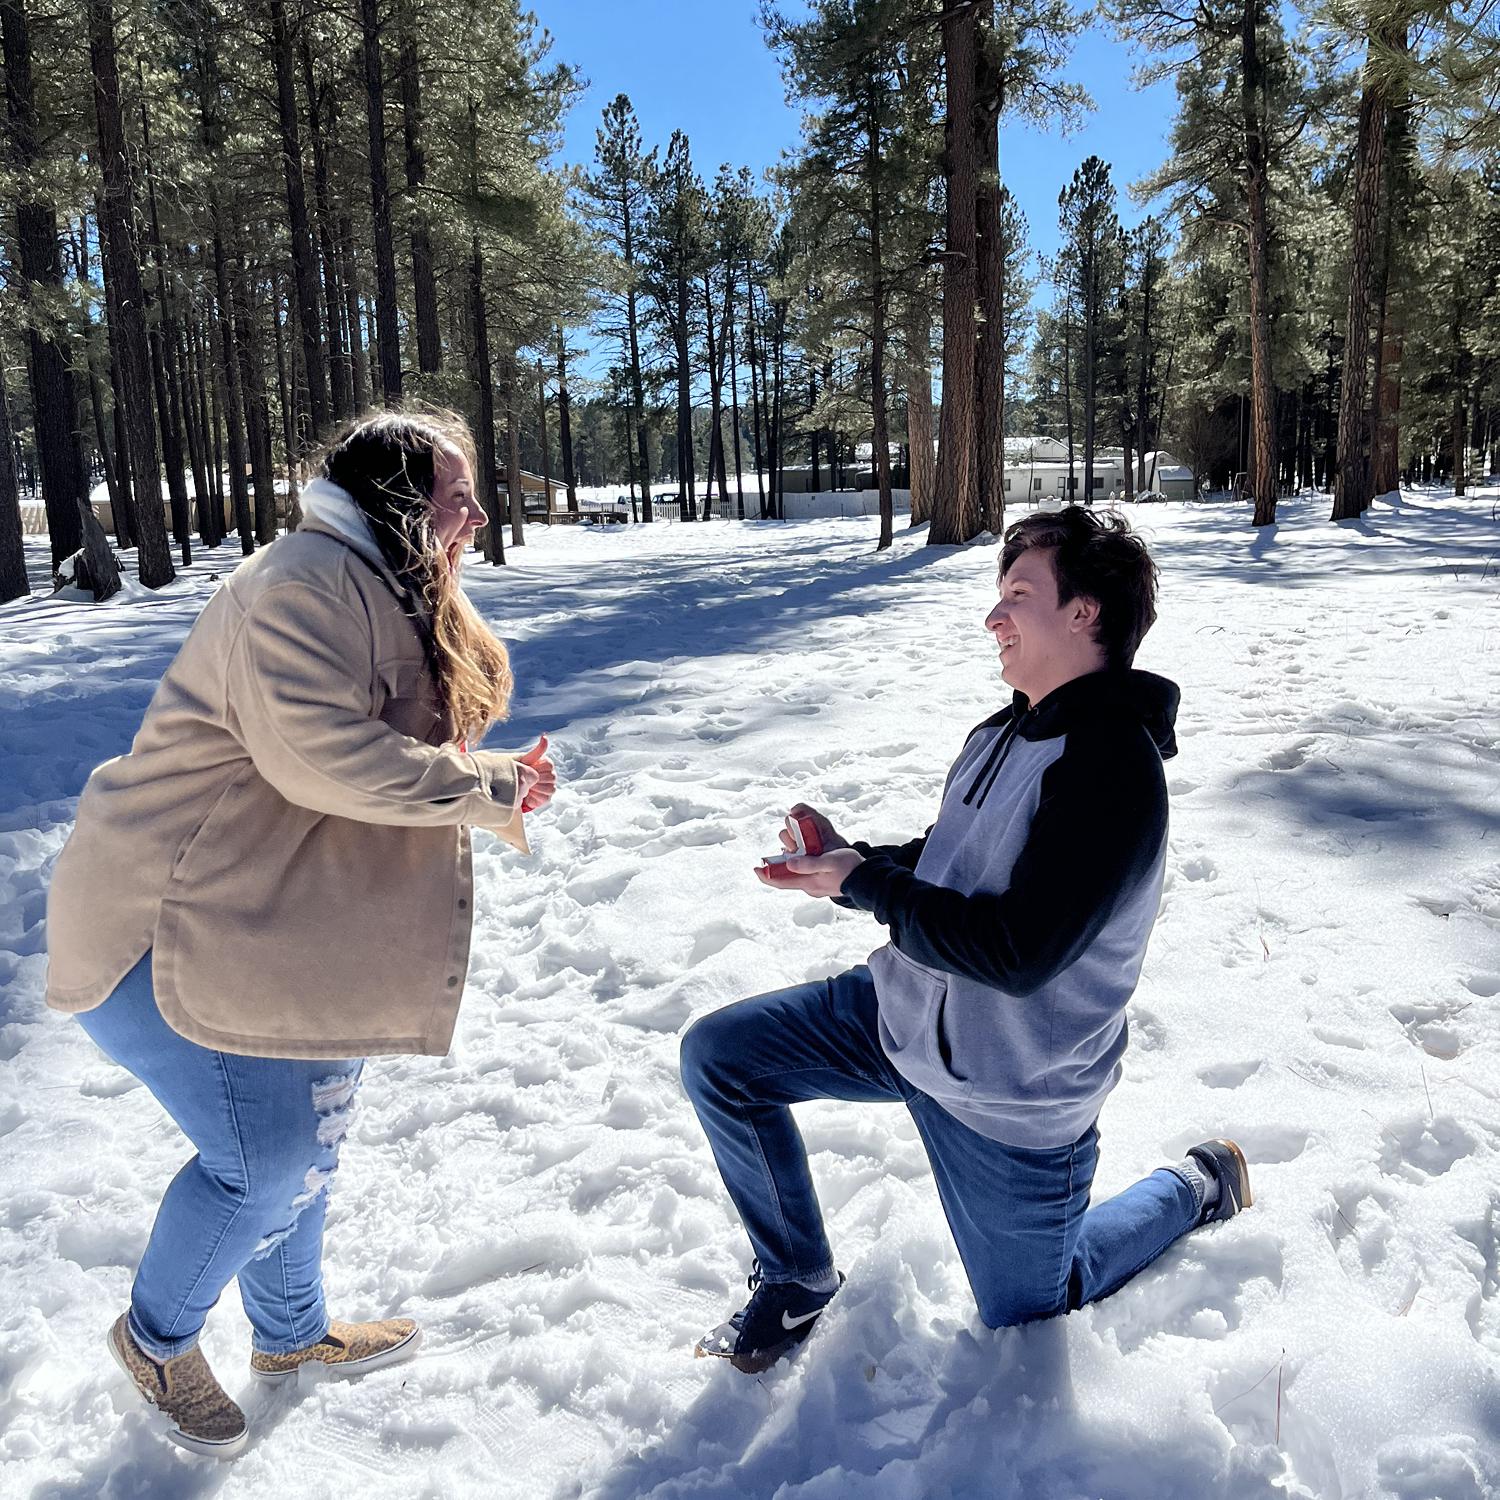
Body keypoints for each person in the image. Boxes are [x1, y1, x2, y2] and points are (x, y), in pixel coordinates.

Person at [46, 409, 556, 1458]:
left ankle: (289, 1336)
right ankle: (156, 1339)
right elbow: (322, 759)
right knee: (264, 1157)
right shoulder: (302, 585)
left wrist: (490, 790)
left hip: (269, 920)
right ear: (396, 501)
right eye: (454, 493)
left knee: (308, 1135)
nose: (475, 513)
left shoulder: (369, 581)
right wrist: (489, 783)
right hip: (167, 919)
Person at [681, 506, 1251, 1374]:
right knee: (722, 1057)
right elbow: (953, 865)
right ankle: (796, 1277)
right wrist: (852, 861)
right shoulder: (1001, 731)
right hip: (903, 1017)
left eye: (1018, 594)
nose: (993, 617)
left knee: (1033, 1306)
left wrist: (864, 884)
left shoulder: (1111, 768)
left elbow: (1019, 951)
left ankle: (1197, 1184)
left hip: (1008, 1093)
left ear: (1084, 613)